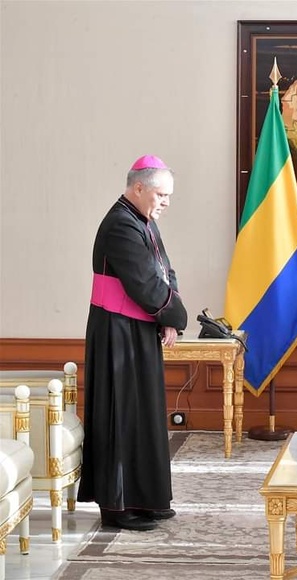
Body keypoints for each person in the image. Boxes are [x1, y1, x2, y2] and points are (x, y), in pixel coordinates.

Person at [78, 155, 188, 531]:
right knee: (120, 415)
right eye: (161, 194)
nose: (166, 202)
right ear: (138, 187)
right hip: (117, 332)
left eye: (168, 195)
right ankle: (117, 506)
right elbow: (144, 283)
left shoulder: (142, 219)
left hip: (139, 329)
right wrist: (175, 316)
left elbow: (165, 271)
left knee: (141, 415)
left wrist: (168, 318)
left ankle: (147, 500)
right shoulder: (121, 225)